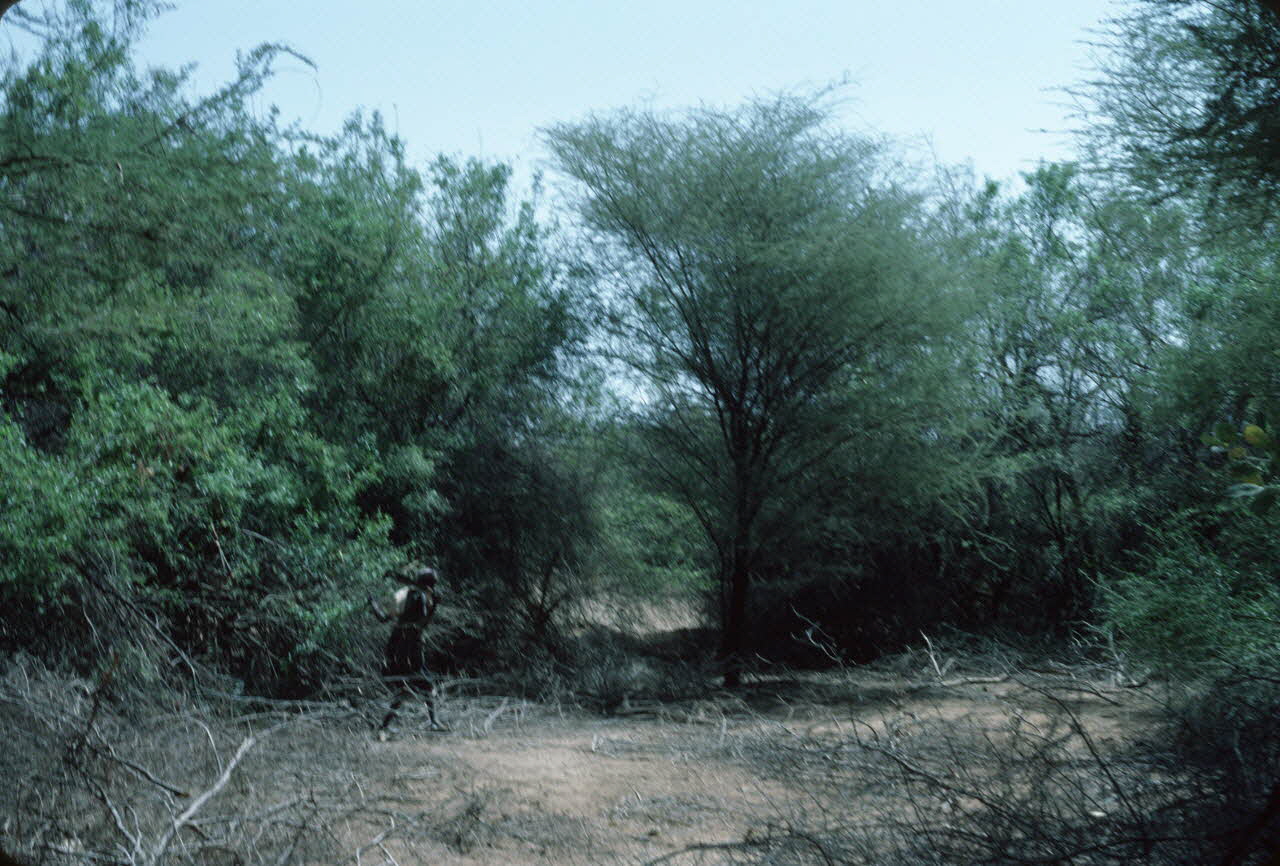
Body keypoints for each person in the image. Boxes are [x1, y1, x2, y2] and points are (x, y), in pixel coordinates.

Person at [370, 562, 446, 735]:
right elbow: (422, 623)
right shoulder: (420, 598)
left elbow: (382, 618)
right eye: (434, 583)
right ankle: (388, 726)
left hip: (399, 647)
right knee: (420, 685)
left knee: (412, 686)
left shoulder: (408, 596)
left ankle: (386, 725)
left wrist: (373, 603)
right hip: (410, 648)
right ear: (430, 583)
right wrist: (435, 605)